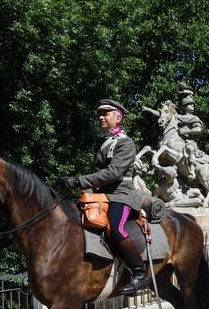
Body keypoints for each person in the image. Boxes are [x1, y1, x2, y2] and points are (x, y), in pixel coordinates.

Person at [62, 99, 149, 295]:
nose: (101, 117)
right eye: (99, 114)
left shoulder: (125, 143)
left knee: (115, 228)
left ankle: (140, 273)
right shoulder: (102, 142)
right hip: (100, 195)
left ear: (118, 118)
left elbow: (114, 173)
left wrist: (79, 181)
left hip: (121, 195)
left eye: (106, 114)